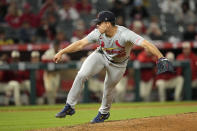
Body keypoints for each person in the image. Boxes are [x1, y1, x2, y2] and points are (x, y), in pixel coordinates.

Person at [53, 11, 166, 123]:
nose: (97, 25)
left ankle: (104, 113)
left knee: (108, 88)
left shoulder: (125, 34)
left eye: (100, 23)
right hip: (101, 55)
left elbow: (146, 44)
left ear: (107, 23)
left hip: (118, 64)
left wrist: (161, 57)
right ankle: (69, 106)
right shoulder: (98, 32)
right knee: (81, 74)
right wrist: (62, 52)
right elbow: (81, 43)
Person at [42, 40, 70, 104]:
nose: (56, 47)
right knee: (49, 90)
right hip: (48, 74)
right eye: (55, 45)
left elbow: (67, 59)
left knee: (54, 92)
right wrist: (55, 60)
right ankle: (50, 105)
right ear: (53, 46)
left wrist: (60, 60)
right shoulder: (49, 52)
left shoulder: (60, 51)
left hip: (56, 74)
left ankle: (52, 106)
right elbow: (43, 59)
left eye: (57, 45)